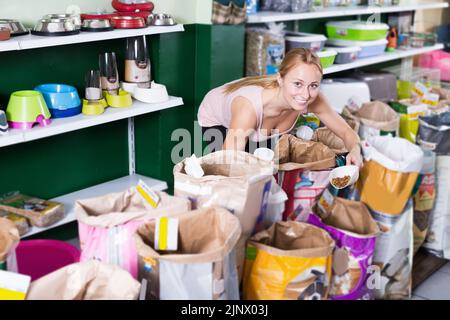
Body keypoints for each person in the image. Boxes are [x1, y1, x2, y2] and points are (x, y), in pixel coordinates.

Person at [198, 48, 362, 167]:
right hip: (216, 118)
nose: (305, 95)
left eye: (313, 85)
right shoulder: (248, 107)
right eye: (297, 84)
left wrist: (355, 149)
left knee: (264, 167)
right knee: (237, 169)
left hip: (258, 125)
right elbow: (228, 164)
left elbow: (346, 132)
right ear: (280, 79)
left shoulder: (313, 99)